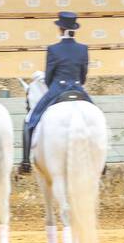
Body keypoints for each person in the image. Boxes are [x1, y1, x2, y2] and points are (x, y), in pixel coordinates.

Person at [20, 13, 93, 174]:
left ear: (60, 29)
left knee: (30, 120)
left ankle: (25, 161)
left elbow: (49, 77)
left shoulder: (53, 49)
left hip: (57, 89)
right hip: (77, 88)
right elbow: (83, 76)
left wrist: (54, 84)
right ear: (74, 29)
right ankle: (102, 163)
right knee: (97, 118)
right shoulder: (83, 49)